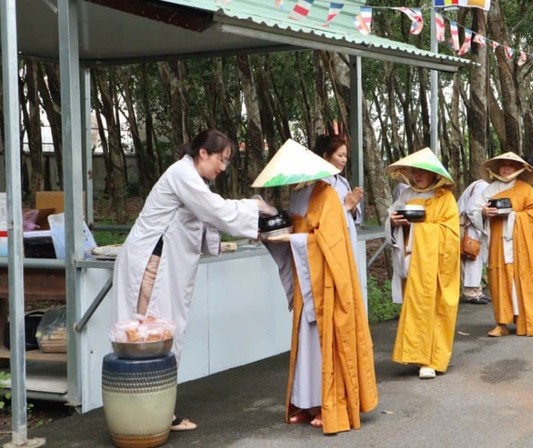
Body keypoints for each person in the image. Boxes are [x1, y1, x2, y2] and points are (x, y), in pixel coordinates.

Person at [112, 129, 273, 431]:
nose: (222, 168)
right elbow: (214, 210)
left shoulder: (191, 179)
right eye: (221, 160)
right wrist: (254, 207)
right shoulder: (182, 174)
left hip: (162, 265)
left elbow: (206, 219)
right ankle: (144, 418)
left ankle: (155, 413)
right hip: (151, 265)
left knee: (162, 334)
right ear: (203, 153)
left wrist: (252, 222)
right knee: (148, 337)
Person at [259, 139, 378, 434]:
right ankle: (306, 401)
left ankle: (330, 403)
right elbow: (295, 229)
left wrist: (294, 240)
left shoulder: (327, 194)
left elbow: (332, 242)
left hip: (328, 279)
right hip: (306, 276)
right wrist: (274, 233)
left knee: (328, 340)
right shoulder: (300, 194)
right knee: (305, 341)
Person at [385, 148, 460, 379]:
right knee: (416, 308)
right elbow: (392, 220)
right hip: (412, 261)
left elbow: (451, 233)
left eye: (422, 172)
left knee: (436, 308)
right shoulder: (406, 195)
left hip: (435, 265)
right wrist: (394, 221)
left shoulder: (444, 197)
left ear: (433, 174)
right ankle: (417, 355)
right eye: (414, 172)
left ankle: (433, 359)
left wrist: (418, 227)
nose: (417, 176)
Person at [470, 152, 533, 337]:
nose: (506, 168)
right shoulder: (488, 190)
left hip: (520, 244)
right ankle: (501, 323)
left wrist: (511, 215)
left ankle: (525, 320)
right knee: (499, 280)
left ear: (518, 168)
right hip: (497, 242)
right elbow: (474, 211)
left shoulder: (526, 189)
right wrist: (484, 213)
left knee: (521, 278)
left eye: (510, 165)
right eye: (502, 165)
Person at [312, 134, 363, 252]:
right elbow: (321, 217)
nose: (344, 160)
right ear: (326, 156)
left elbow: (354, 215)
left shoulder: (343, 182)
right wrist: (346, 206)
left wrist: (353, 206)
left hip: (348, 234)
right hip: (330, 240)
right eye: (340, 155)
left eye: (345, 156)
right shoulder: (318, 184)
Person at [457, 179, 490, 304]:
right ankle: (470, 293)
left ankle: (477, 290)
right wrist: (482, 214)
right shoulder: (483, 186)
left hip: (475, 225)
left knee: (476, 257)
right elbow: (471, 209)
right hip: (466, 225)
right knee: (469, 257)